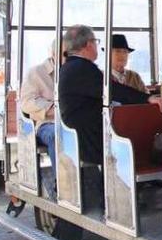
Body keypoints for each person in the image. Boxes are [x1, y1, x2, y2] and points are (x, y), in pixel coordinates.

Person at [59, 25, 156, 167]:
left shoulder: (72, 66)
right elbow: (111, 91)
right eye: (95, 42)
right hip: (90, 137)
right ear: (88, 44)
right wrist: (148, 99)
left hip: (90, 131)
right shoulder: (82, 68)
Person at [21, 40, 61, 197]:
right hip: (47, 123)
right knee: (57, 134)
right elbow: (27, 102)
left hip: (74, 122)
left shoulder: (76, 71)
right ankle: (62, 182)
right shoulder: (36, 73)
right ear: (52, 52)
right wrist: (53, 109)